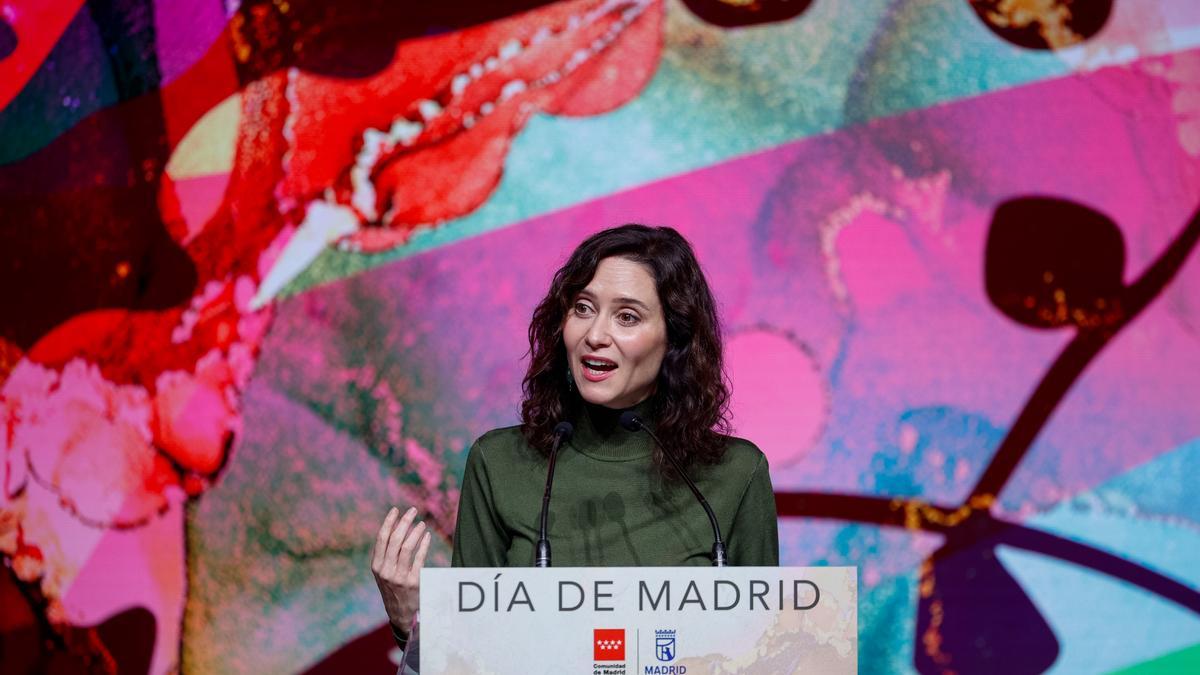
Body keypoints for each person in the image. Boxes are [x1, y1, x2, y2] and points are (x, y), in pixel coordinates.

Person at [370, 224, 779, 657]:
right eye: (583, 308)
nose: (595, 335)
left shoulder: (735, 474)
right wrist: (411, 622)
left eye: (627, 317)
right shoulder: (500, 463)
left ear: (674, 340)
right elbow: (471, 659)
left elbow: (768, 655)